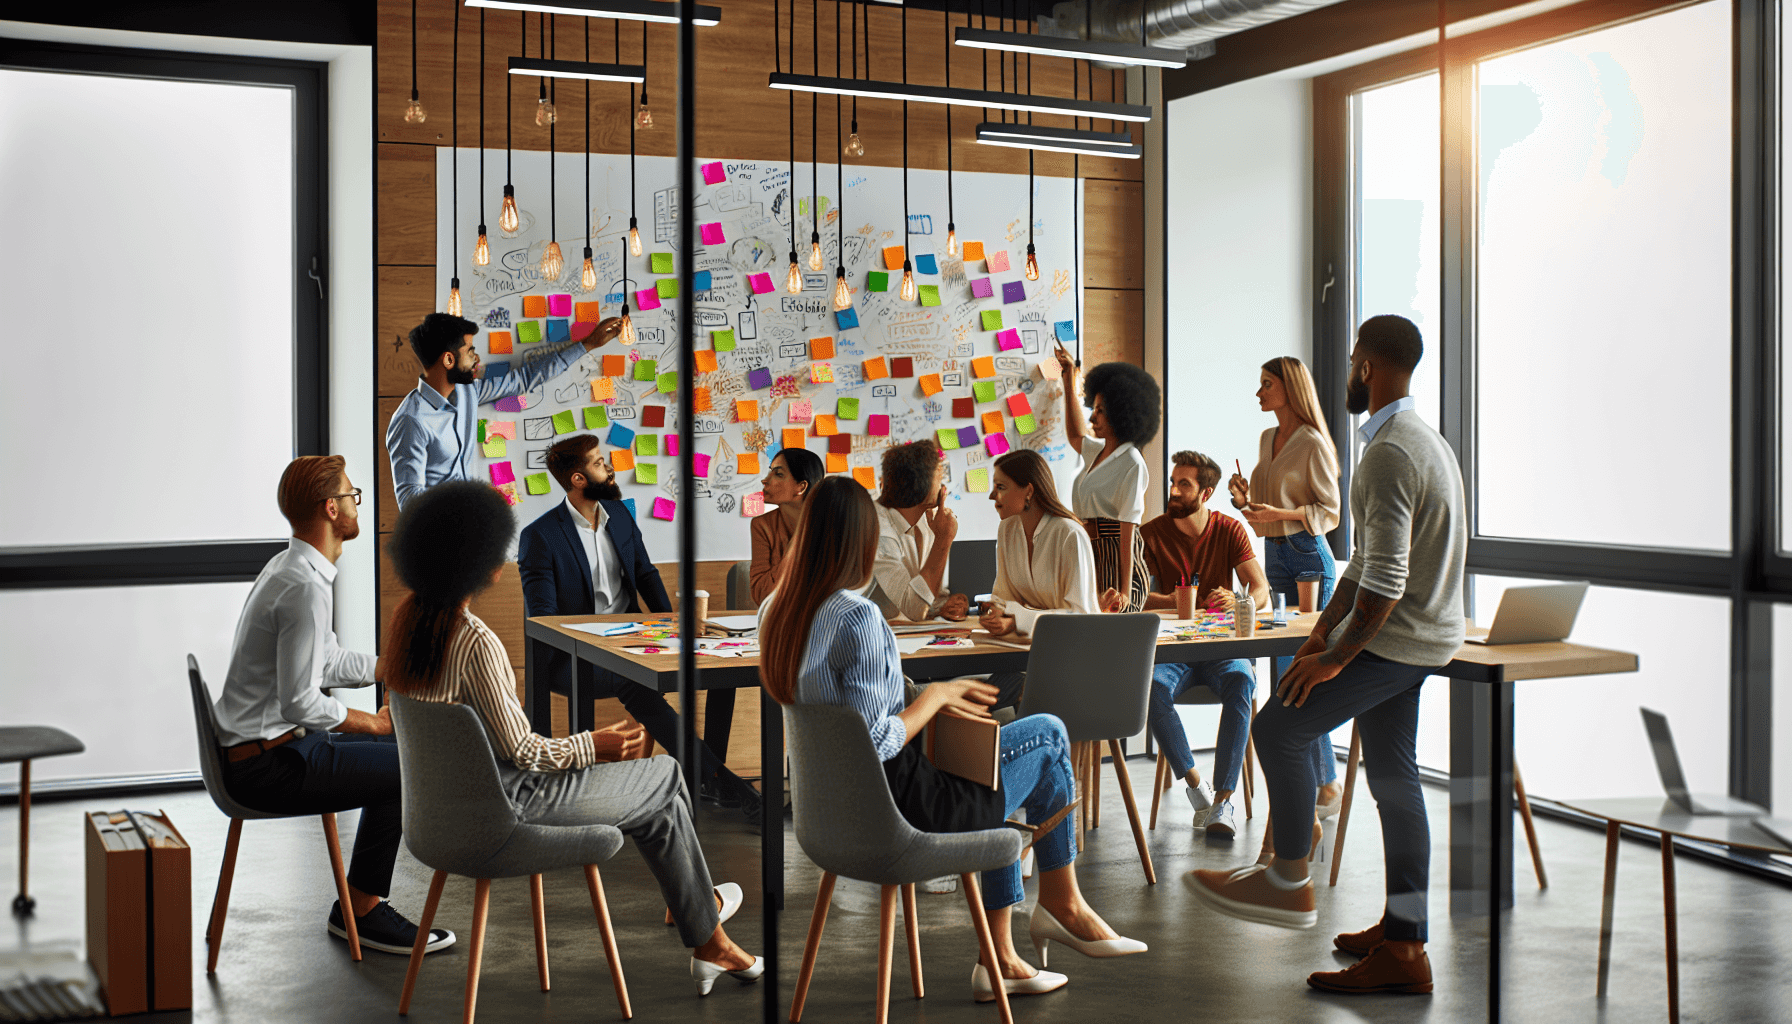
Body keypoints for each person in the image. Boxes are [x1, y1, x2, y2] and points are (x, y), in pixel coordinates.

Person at [760, 477, 1145, 1004]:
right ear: (862, 542)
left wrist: (920, 691)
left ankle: (1005, 956)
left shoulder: (776, 614)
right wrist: (935, 698)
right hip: (901, 814)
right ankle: (1059, 904)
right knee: (1048, 734)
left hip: (830, 818)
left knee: (993, 758)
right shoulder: (858, 616)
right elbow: (876, 740)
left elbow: (843, 710)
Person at [383, 481, 765, 997]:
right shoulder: (474, 640)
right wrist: (597, 744)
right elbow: (526, 753)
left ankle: (703, 924)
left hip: (437, 819)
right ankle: (702, 922)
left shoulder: (409, 625)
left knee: (658, 801)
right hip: (511, 806)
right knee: (666, 774)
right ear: (485, 563)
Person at [1188, 315, 1465, 997]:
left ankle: (1287, 878)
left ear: (1367, 367)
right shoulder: (1418, 440)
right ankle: (1405, 943)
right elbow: (1363, 566)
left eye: (1351, 361)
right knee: (1396, 782)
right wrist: (1321, 634)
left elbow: (1388, 579)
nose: (1348, 372)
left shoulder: (1392, 452)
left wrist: (1337, 659)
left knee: (1279, 725)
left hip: (1400, 639)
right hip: (1427, 634)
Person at [214, 455, 453, 956]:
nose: (356, 503)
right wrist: (373, 724)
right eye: (351, 496)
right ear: (330, 509)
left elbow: (323, 662)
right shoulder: (302, 586)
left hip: (271, 747)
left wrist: (384, 668)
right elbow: (299, 699)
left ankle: (356, 905)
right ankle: (362, 910)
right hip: (266, 765)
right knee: (406, 766)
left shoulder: (293, 567)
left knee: (394, 757)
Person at [518, 434, 761, 827]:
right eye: (599, 463)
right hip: (574, 659)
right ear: (578, 479)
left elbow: (646, 575)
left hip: (635, 644)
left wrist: (678, 628)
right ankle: (723, 781)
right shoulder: (540, 536)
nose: (610, 466)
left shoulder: (621, 516)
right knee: (633, 681)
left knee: (719, 671)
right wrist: (535, 706)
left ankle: (709, 778)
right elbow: (543, 620)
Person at [1227, 355, 1346, 829]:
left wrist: (1285, 511)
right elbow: (1263, 506)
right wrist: (1243, 500)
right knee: (1283, 675)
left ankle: (1326, 782)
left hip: (1306, 555)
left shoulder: (1313, 443)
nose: (1259, 393)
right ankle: (1315, 781)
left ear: (1289, 389)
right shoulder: (1266, 438)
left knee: (1299, 673)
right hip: (1274, 553)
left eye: (1266, 384)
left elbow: (1329, 510)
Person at [1137, 450, 1271, 838]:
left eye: (1185, 484)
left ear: (1206, 493)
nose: (1174, 491)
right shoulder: (1151, 533)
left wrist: (1241, 600)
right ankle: (1197, 786)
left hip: (1219, 650)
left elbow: (1260, 589)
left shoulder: (1229, 530)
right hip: (1172, 652)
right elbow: (1138, 597)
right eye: (1173, 482)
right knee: (1151, 686)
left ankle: (1224, 802)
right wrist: (1180, 600)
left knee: (1242, 680)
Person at [386, 311, 623, 508]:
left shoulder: (468, 392)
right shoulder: (411, 420)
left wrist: (589, 344)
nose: (476, 358)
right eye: (469, 351)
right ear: (448, 360)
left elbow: (525, 378)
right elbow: (409, 501)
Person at [1054, 347, 1158, 613]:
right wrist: (1069, 378)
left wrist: (1125, 590)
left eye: (1100, 410)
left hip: (1115, 556)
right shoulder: (1098, 451)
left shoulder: (1131, 461)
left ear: (1120, 412)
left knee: (1109, 626)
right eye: (1094, 408)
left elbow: (1128, 527)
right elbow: (1076, 434)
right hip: (1089, 551)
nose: (1092, 417)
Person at [866, 440, 970, 622]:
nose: (944, 487)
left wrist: (942, 606)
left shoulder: (923, 523)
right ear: (923, 487)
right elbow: (915, 608)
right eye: (939, 478)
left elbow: (925, 598)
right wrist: (944, 539)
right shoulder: (877, 529)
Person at [749, 447, 826, 605]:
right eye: (771, 472)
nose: (765, 480)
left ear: (801, 487)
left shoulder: (831, 525)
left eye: (778, 474)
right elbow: (761, 595)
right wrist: (797, 542)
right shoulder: (762, 525)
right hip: (779, 621)